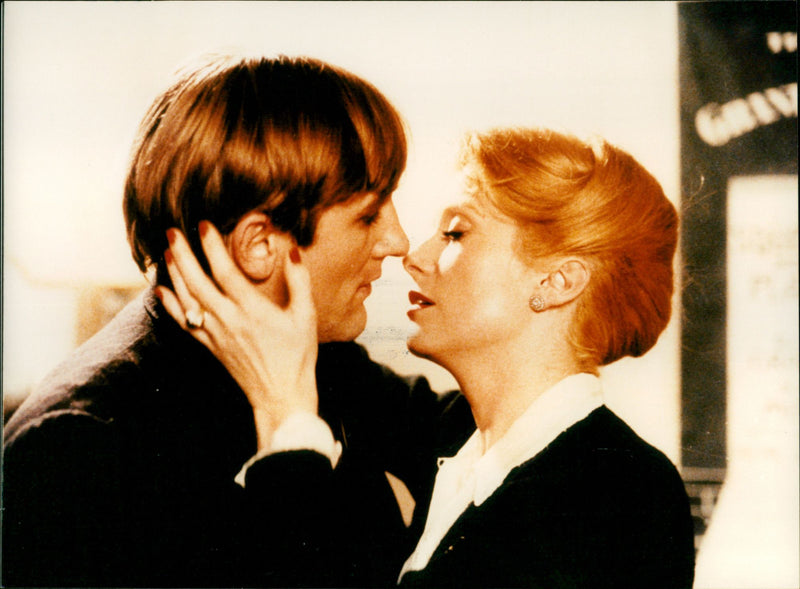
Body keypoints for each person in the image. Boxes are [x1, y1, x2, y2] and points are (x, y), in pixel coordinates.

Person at [2, 54, 469, 588]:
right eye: (369, 214)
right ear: (259, 245)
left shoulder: (308, 347)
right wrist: (291, 427)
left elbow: (479, 424)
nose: (398, 242)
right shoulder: (77, 452)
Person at [161, 127, 696, 587]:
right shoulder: (455, 433)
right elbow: (320, 359)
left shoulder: (622, 499)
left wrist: (290, 429)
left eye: (456, 233)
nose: (414, 256)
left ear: (556, 282)